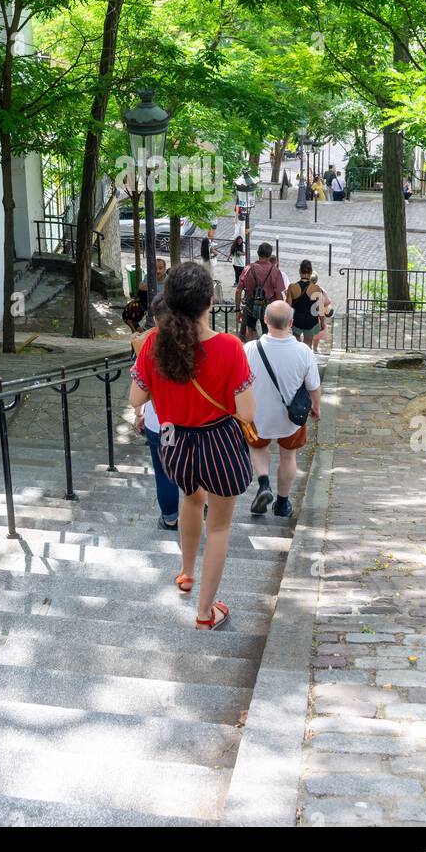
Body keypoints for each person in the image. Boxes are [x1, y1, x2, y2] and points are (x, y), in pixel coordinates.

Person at [128, 261, 256, 630]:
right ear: (209, 302)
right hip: (219, 444)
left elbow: (136, 397)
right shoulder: (230, 348)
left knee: (189, 498)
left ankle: (186, 573)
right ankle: (204, 611)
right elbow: (245, 411)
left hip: (174, 444)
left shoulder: (153, 342)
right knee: (218, 527)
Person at [245, 300, 321, 518]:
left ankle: (263, 484)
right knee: (288, 456)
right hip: (291, 417)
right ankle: (282, 503)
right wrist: (316, 407)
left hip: (256, 415)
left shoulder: (249, 349)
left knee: (259, 449)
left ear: (266, 320)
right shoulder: (303, 352)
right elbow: (313, 387)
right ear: (291, 322)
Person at [131, 298, 179, 531]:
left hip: (160, 421)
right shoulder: (197, 339)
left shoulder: (150, 343)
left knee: (165, 471)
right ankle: (202, 506)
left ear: (155, 318)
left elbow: (136, 396)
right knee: (196, 467)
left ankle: (170, 517)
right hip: (194, 420)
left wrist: (139, 412)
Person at [236, 241, 286, 340]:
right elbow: (279, 295)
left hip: (250, 304)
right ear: (269, 255)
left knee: (249, 331)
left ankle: (250, 351)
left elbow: (238, 291)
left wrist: (238, 310)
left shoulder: (248, 269)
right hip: (268, 307)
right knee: (268, 333)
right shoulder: (275, 271)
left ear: (258, 253)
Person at [286, 261, 332, 350]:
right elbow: (320, 308)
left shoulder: (292, 287)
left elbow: (288, 307)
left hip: (296, 320)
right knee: (308, 345)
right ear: (311, 272)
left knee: (296, 342)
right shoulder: (316, 288)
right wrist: (322, 323)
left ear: (300, 271)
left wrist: (286, 323)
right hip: (311, 321)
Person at [122, 257, 168, 333]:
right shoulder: (149, 277)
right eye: (155, 268)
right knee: (128, 310)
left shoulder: (169, 281)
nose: (158, 271)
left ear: (165, 269)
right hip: (147, 304)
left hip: (162, 308)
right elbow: (141, 287)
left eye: (160, 268)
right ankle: (136, 332)